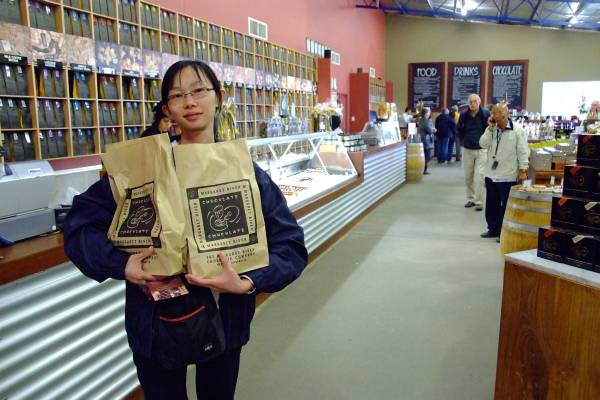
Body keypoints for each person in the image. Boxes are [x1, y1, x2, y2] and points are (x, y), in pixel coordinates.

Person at [63, 60, 308, 400]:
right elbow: (78, 224)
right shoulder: (142, 171)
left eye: (199, 91)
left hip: (226, 321)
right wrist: (120, 263)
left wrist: (248, 281)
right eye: (178, 95)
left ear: (219, 97)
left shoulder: (244, 173)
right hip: (155, 323)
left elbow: (291, 247)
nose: (190, 102)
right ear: (167, 108)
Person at [479, 102, 529, 241]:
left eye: (500, 113)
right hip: (491, 174)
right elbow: (482, 144)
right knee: (491, 204)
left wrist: (523, 169)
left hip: (508, 175)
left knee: (506, 206)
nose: (497, 116)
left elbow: (523, 151)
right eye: (494, 113)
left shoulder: (518, 130)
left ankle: (504, 231)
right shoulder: (492, 129)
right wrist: (489, 128)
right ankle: (492, 229)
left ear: (507, 114)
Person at [457, 94, 490, 211]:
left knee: (479, 176)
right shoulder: (464, 115)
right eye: (470, 102)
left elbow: (489, 130)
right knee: (468, 176)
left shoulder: (485, 114)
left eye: (475, 101)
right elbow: (459, 130)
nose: (472, 104)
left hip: (481, 150)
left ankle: (479, 201)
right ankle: (470, 199)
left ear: (479, 102)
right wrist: (463, 141)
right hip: (467, 149)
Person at [418, 107, 435, 175]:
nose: (430, 113)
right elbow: (429, 130)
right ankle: (424, 169)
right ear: (426, 114)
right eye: (429, 112)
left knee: (426, 155)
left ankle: (424, 169)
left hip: (424, 139)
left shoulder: (422, 120)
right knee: (426, 155)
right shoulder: (425, 121)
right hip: (425, 140)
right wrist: (433, 130)